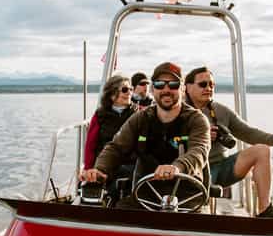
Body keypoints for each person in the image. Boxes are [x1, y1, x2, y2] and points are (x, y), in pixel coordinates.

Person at [81, 62, 210, 206]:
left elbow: (199, 151)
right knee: (116, 213)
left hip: (188, 197)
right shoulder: (141, 118)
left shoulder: (197, 120)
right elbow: (116, 148)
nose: (166, 89)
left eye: (173, 84)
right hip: (145, 194)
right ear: (153, 89)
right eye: (160, 84)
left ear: (182, 88)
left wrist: (177, 167)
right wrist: (99, 170)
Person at [185, 66, 273, 218]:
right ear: (188, 87)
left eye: (211, 85)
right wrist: (198, 136)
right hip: (194, 169)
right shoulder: (179, 112)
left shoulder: (220, 110)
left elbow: (248, 132)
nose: (208, 88)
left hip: (222, 168)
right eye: (203, 84)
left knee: (262, 150)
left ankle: (265, 210)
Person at [83, 74, 137, 171]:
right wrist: (88, 169)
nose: (129, 93)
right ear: (112, 94)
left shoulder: (138, 114)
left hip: (130, 166)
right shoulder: (100, 115)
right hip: (104, 164)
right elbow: (91, 146)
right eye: (125, 90)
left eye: (131, 89)